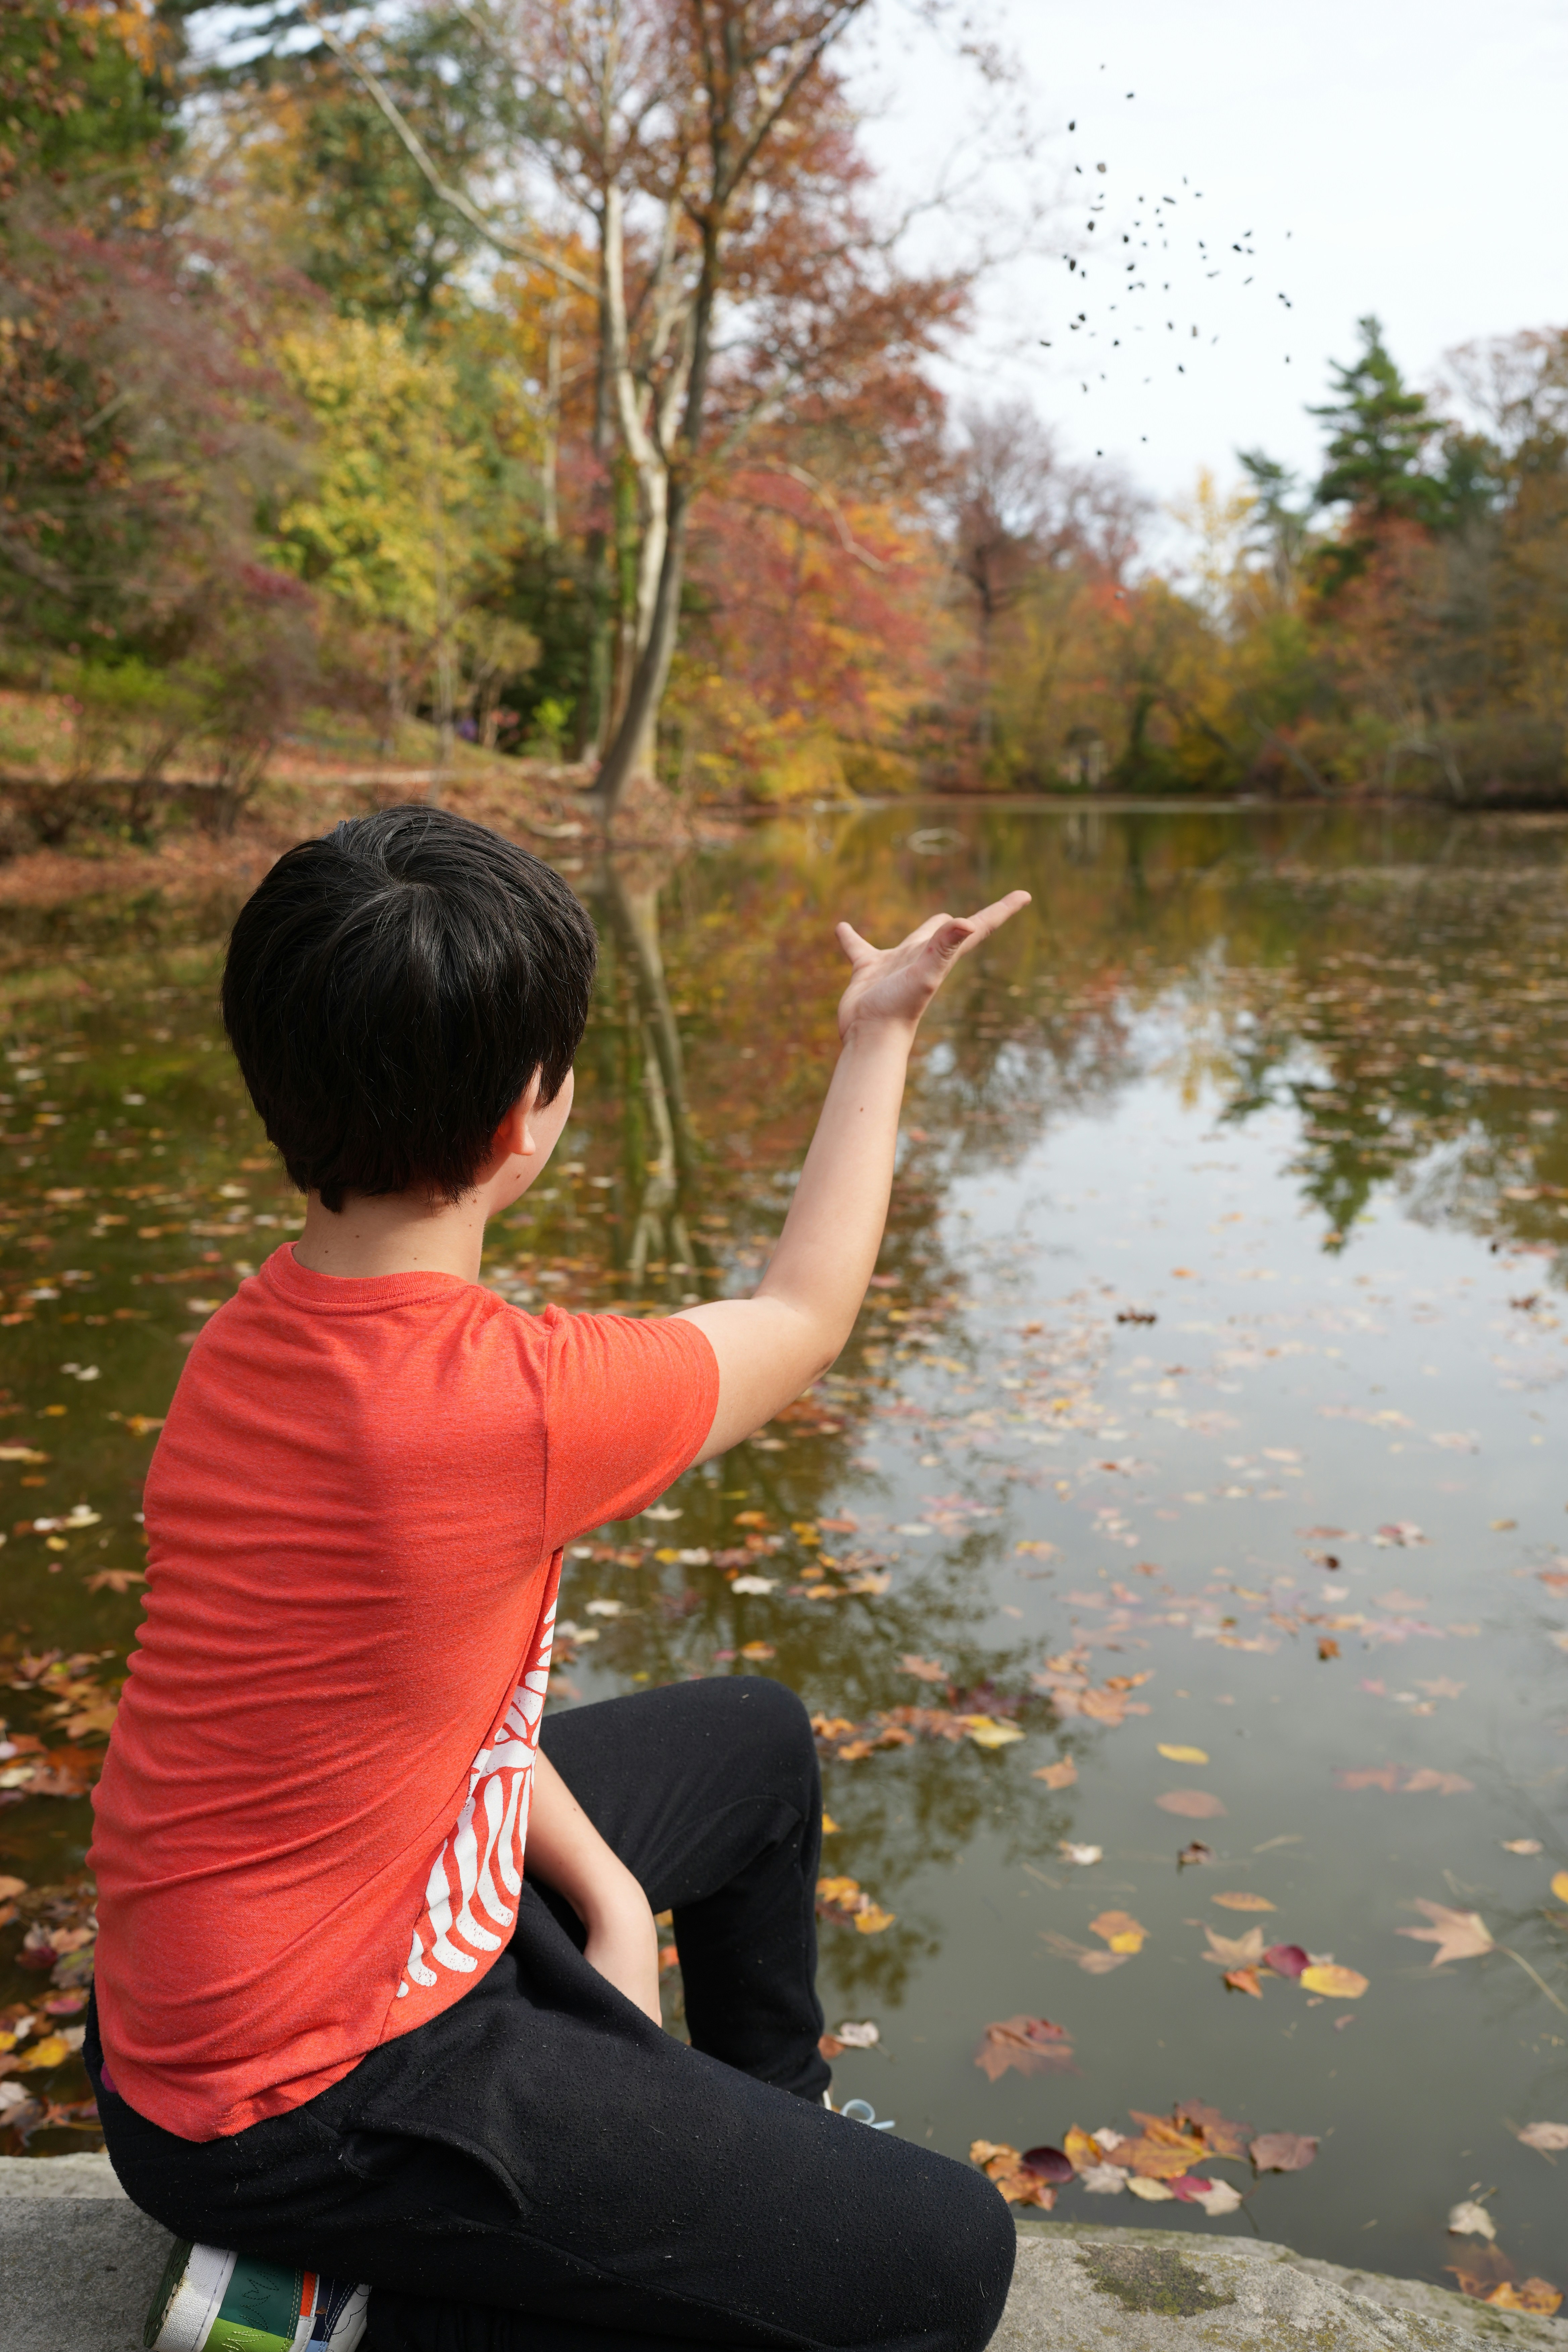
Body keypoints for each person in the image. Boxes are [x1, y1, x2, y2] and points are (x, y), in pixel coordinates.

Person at [84, 805, 1030, 2352]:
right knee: (945, 2270)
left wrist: (599, 1888)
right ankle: (342, 2315)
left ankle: (756, 2127)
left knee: (756, 1743)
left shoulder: (246, 1342)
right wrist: (876, 1037)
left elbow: (418, 1721)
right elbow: (804, 1309)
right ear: (531, 1116)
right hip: (289, 2107)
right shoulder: (512, 1404)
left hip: (262, 1962)